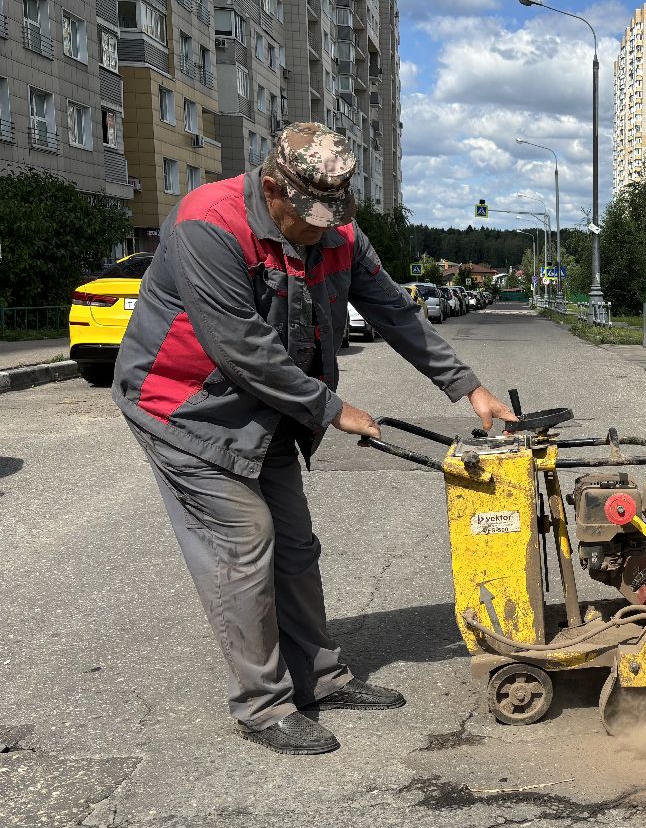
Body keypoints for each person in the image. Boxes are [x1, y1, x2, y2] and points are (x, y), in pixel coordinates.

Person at [113, 123, 515, 756]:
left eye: (333, 217)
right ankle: (261, 704)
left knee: (296, 547)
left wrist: (467, 387)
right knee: (246, 544)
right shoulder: (206, 225)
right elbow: (241, 349)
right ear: (273, 188)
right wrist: (330, 408)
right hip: (185, 409)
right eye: (308, 217)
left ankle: (319, 679)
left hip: (267, 413)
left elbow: (395, 311)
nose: (321, 230)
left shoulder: (338, 234)